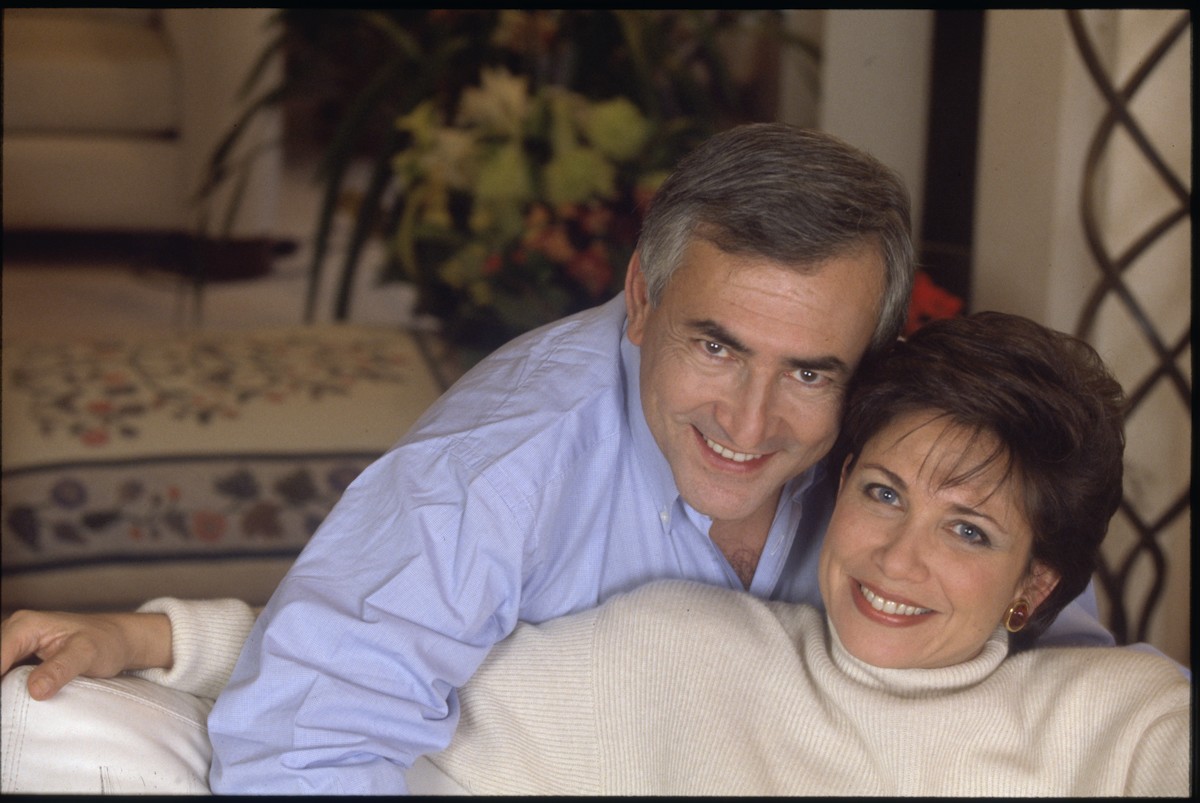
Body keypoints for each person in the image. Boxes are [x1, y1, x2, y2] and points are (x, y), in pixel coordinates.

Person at [0, 126, 1122, 793]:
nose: (751, 419)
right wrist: (179, 644)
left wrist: (171, 636)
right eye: (716, 345)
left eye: (811, 370)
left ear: (872, 356)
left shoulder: (904, 464)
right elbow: (312, 734)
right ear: (641, 299)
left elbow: (1057, 660)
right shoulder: (499, 468)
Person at [3, 312, 1186, 795]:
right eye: (882, 492)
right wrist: (151, 637)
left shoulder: (1107, 713)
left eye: (968, 529)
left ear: (1037, 583)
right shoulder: (691, 638)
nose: (896, 555)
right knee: (34, 720)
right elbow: (386, 662)